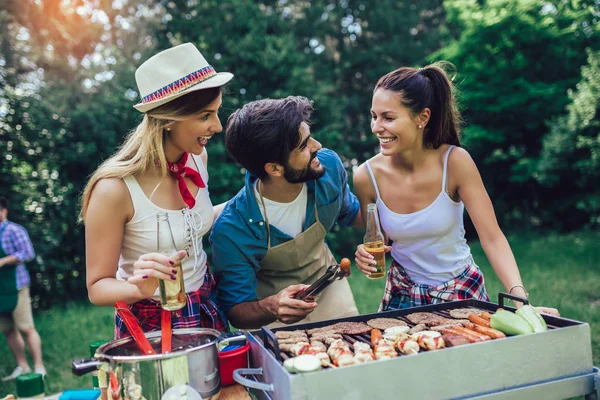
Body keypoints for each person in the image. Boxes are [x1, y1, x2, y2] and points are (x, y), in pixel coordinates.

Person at [353, 63, 560, 316]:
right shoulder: (366, 176)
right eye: (374, 116)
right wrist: (366, 254)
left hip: (460, 291)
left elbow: (492, 238)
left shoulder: (455, 162)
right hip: (402, 295)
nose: (376, 127)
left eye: (388, 118)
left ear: (422, 117)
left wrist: (522, 303)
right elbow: (379, 240)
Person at [81, 43, 233, 338]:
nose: (217, 126)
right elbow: (97, 287)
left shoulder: (198, 158)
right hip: (150, 322)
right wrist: (136, 287)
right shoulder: (114, 190)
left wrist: (254, 200)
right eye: (205, 116)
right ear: (167, 120)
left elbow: (188, 226)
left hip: (205, 305)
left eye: (216, 113)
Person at [210, 96, 362, 329]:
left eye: (310, 137)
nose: (317, 146)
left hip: (330, 289)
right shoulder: (232, 228)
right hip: (271, 312)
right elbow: (236, 309)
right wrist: (272, 306)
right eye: (304, 145)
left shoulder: (327, 167)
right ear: (274, 168)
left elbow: (350, 212)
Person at [0, 197, 47, 381]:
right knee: (8, 330)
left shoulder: (14, 230)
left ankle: (39, 367)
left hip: (17, 286)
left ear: (4, 211)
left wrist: (4, 261)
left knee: (26, 328)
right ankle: (23, 366)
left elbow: (28, 253)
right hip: (0, 292)